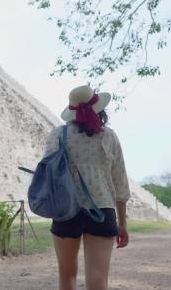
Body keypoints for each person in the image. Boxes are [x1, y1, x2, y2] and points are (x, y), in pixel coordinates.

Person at [42, 84, 131, 290]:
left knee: (67, 276)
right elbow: (120, 182)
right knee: (98, 280)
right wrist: (123, 223)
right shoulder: (108, 136)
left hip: (66, 210)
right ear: (100, 109)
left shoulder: (58, 134)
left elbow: (48, 172)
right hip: (102, 210)